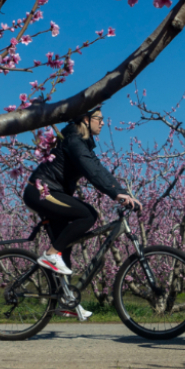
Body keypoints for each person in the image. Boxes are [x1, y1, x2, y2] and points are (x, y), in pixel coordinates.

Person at [23, 107, 142, 321]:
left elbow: (98, 168)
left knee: (65, 248)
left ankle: (66, 302)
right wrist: (116, 195)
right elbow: (91, 170)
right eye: (99, 119)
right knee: (88, 215)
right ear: (86, 120)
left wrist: (122, 192)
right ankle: (50, 255)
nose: (103, 123)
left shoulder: (82, 142)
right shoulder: (74, 140)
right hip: (41, 191)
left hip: (52, 191)